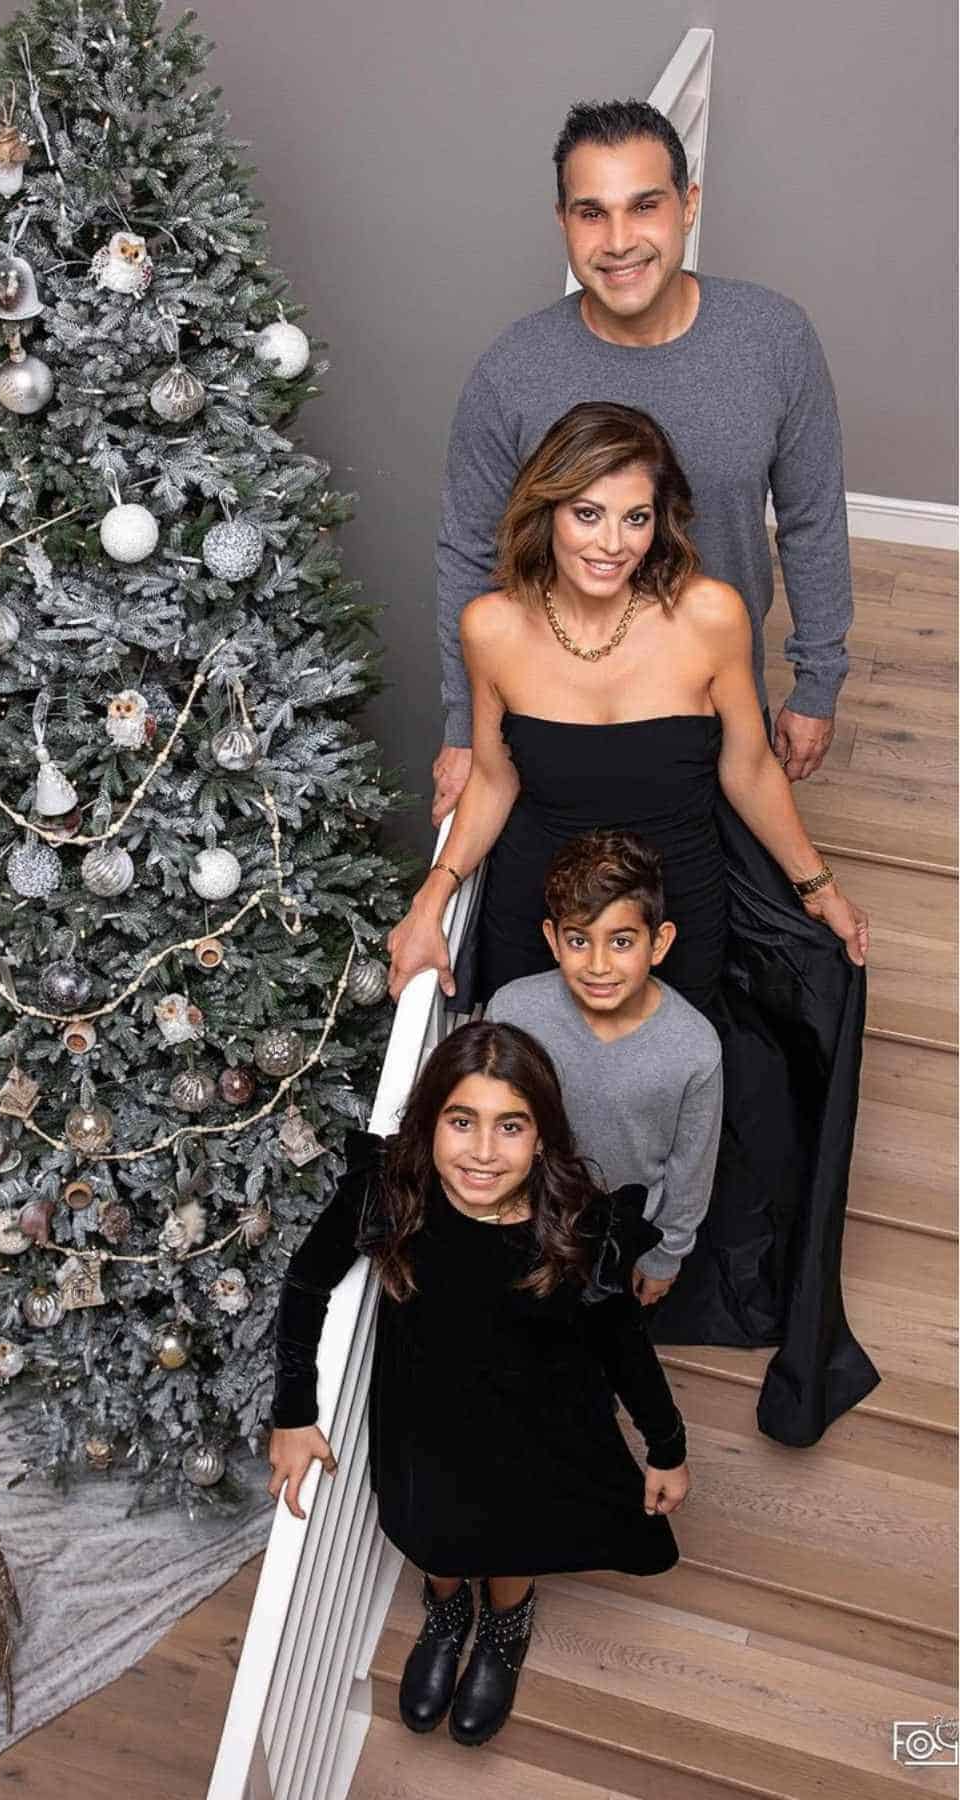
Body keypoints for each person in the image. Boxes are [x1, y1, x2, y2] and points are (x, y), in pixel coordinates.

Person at [386, 401, 880, 1450]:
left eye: (637, 518)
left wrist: (817, 883)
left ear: (667, 522)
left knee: (650, 1107)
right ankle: (541, 1323)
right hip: (542, 918)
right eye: (587, 513)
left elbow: (746, 763)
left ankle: (630, 1292)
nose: (611, 542)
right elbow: (496, 777)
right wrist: (431, 899)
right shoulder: (494, 626)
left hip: (671, 917)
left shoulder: (707, 615)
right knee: (533, 1122)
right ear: (546, 510)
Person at [268, 1021, 690, 1751]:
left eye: (511, 1127)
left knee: (513, 1534)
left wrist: (667, 1444)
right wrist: (293, 1412)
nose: (485, 1153)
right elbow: (306, 1282)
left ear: (542, 1137)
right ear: (430, 1121)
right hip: (422, 1420)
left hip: (537, 1423)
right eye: (462, 1122)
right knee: (434, 1533)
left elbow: (622, 1343)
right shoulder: (388, 1196)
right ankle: (444, 1610)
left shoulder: (577, 1226)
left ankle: (503, 1624)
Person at [432, 97, 852, 826]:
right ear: (561, 221)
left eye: (644, 206)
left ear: (688, 206)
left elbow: (813, 521)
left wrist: (817, 683)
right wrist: (462, 728)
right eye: (591, 212)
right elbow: (468, 553)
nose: (619, 241)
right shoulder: (514, 371)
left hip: (717, 722)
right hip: (550, 731)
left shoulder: (774, 339)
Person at [486, 829, 722, 1312]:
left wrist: (666, 1256)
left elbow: (690, 1168)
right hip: (519, 1222)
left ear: (659, 943)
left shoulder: (695, 1048)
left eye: (620, 941)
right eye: (578, 940)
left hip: (616, 1240)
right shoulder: (512, 1012)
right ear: (553, 939)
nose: (598, 965)